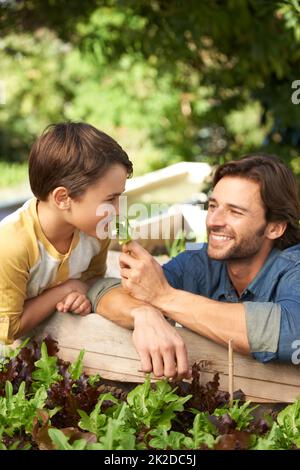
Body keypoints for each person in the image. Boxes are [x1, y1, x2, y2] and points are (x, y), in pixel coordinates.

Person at [0, 122, 190, 380]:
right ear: (63, 198)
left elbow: (91, 280)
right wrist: (66, 290)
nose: (119, 210)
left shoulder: (95, 233)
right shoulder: (13, 244)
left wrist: (82, 293)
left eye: (120, 197)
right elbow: (8, 329)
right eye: (110, 199)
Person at [111, 154, 300, 365]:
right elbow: (111, 293)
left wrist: (165, 297)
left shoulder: (294, 266)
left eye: (235, 212)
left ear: (274, 227)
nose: (213, 221)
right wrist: (143, 313)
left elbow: (291, 332)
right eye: (212, 206)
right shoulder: (198, 262)